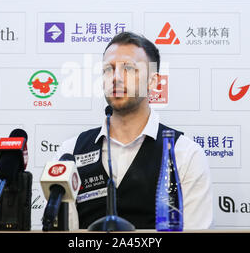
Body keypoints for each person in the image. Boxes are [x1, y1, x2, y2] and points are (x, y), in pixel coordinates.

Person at [60, 31, 213, 230]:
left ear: (153, 81)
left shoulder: (185, 153)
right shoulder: (70, 151)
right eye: (108, 69)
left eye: (129, 69)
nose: (116, 78)